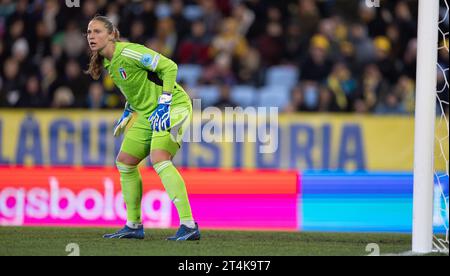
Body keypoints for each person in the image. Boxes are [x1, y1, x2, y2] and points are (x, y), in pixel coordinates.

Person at [85, 15, 200, 241]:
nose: (91, 36)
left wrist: (165, 101)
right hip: (148, 113)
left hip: (174, 106)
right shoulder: (109, 63)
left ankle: (189, 225)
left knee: (159, 158)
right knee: (125, 162)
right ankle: (133, 225)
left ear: (111, 34)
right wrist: (128, 110)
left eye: (97, 31)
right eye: (89, 32)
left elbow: (169, 67)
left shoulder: (129, 52)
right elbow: (138, 88)